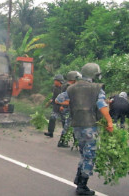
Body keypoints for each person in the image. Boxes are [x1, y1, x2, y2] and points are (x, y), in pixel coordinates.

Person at [56, 63, 113, 195]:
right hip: (90, 126)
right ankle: (82, 187)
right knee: (90, 156)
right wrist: (109, 122)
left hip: (77, 126)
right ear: (94, 74)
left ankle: (79, 178)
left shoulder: (71, 88)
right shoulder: (96, 88)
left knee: (83, 153)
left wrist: (74, 104)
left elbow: (59, 100)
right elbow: (101, 105)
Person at [56, 71, 81, 148]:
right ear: (74, 79)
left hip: (68, 108)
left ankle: (68, 141)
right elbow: (64, 99)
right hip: (69, 109)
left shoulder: (66, 85)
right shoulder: (70, 87)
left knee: (69, 125)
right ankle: (64, 142)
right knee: (70, 125)